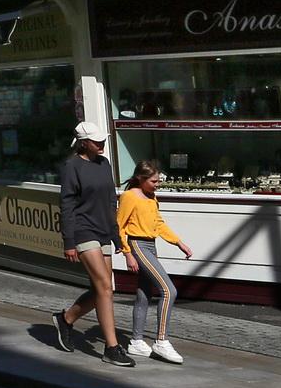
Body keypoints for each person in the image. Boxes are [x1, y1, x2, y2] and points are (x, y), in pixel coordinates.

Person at [51, 122, 133, 366]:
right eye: (97, 141)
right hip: (83, 230)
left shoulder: (104, 164)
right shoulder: (71, 167)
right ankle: (112, 347)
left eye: (103, 140)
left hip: (103, 230)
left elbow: (111, 201)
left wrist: (116, 236)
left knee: (104, 289)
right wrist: (69, 241)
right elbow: (66, 205)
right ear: (83, 142)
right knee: (105, 287)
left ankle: (66, 318)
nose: (102, 144)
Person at [117, 161, 193, 364]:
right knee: (169, 291)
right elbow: (119, 226)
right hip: (138, 246)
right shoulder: (129, 196)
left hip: (151, 245)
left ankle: (136, 341)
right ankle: (161, 341)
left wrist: (179, 243)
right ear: (140, 179)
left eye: (158, 181)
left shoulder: (151, 197)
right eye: (153, 181)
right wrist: (127, 253)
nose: (157, 184)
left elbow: (158, 223)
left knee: (144, 294)